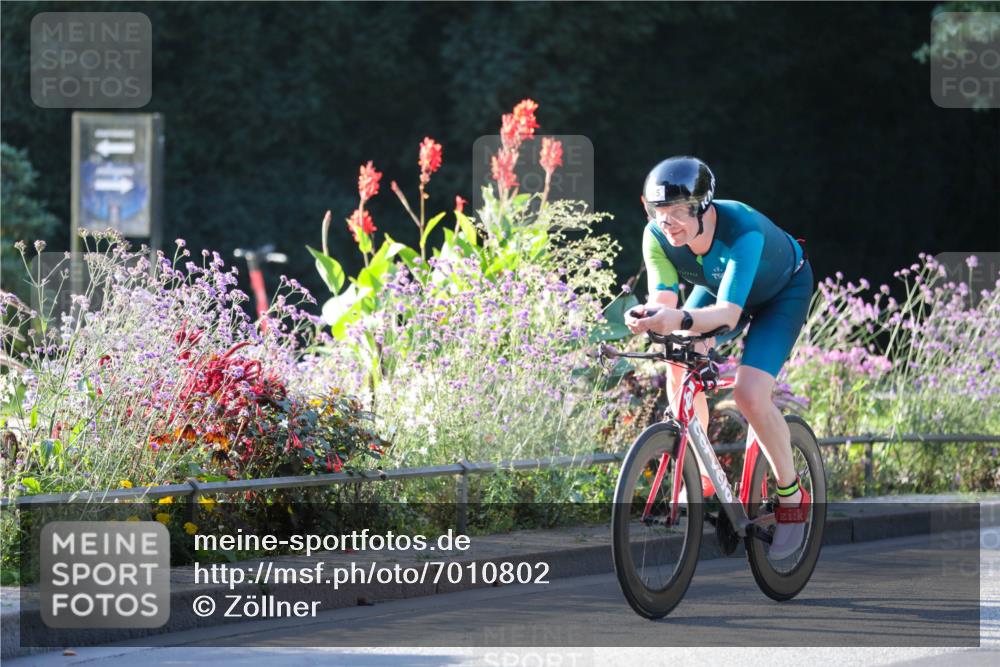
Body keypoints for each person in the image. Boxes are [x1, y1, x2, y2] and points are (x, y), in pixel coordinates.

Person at [624, 156, 814, 560]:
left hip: (779, 294)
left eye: (677, 212)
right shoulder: (655, 235)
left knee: (749, 393)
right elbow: (665, 300)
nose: (667, 222)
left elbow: (728, 316)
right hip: (717, 286)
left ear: (703, 207)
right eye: (659, 212)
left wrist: (677, 317)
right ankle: (700, 467)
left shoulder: (740, 230)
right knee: (679, 350)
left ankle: (792, 495)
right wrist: (647, 314)